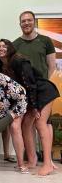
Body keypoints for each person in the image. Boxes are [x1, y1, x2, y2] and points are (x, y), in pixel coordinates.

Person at [0, 39, 60, 176]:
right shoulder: (2, 67)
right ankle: (32, 160)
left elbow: (30, 83)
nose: (1, 48)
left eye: (4, 46)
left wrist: (35, 107)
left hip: (43, 91)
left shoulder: (19, 61)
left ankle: (48, 163)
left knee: (40, 123)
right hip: (30, 97)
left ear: (10, 48)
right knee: (26, 125)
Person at [13, 10, 56, 167]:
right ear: (20, 24)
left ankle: (48, 160)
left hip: (43, 89)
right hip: (26, 92)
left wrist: (45, 84)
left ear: (34, 21)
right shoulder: (15, 44)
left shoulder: (46, 41)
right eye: (23, 21)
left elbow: (51, 66)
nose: (26, 23)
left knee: (44, 123)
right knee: (28, 123)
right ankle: (32, 158)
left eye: (29, 20)